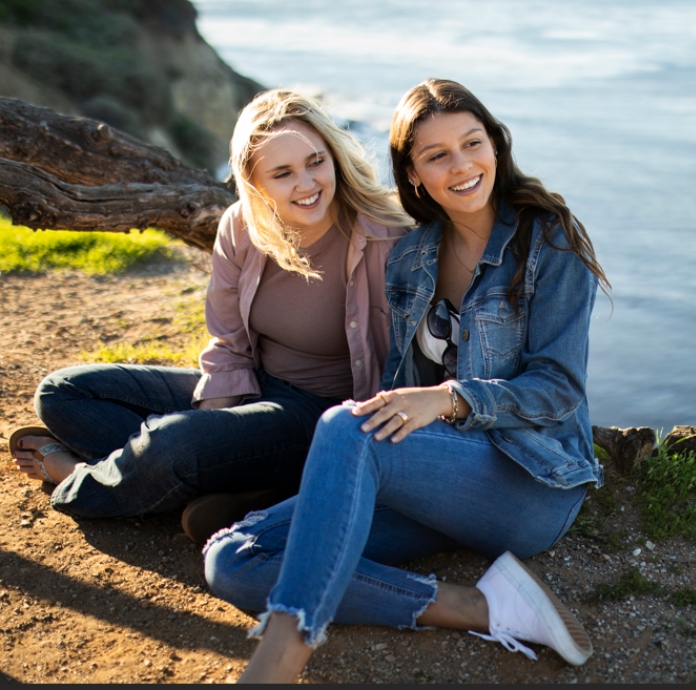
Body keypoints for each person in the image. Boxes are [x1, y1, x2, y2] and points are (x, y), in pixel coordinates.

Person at [203, 78, 611, 682]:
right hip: (433, 479)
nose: (462, 166)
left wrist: (449, 398)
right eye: (437, 155)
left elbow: (556, 387)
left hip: (528, 481)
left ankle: (282, 654)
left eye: (472, 144)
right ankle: (483, 605)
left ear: (496, 146)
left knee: (349, 426)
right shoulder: (411, 254)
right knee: (234, 559)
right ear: (414, 174)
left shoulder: (546, 241)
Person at [8, 89, 411, 542]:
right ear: (255, 183)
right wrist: (215, 422)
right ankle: (240, 484)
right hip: (254, 387)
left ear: (334, 157)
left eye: (316, 162)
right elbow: (228, 344)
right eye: (283, 173)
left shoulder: (386, 234)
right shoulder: (241, 226)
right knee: (64, 393)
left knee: (175, 443)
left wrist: (195, 436)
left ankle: (76, 477)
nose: (307, 183)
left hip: (325, 417)